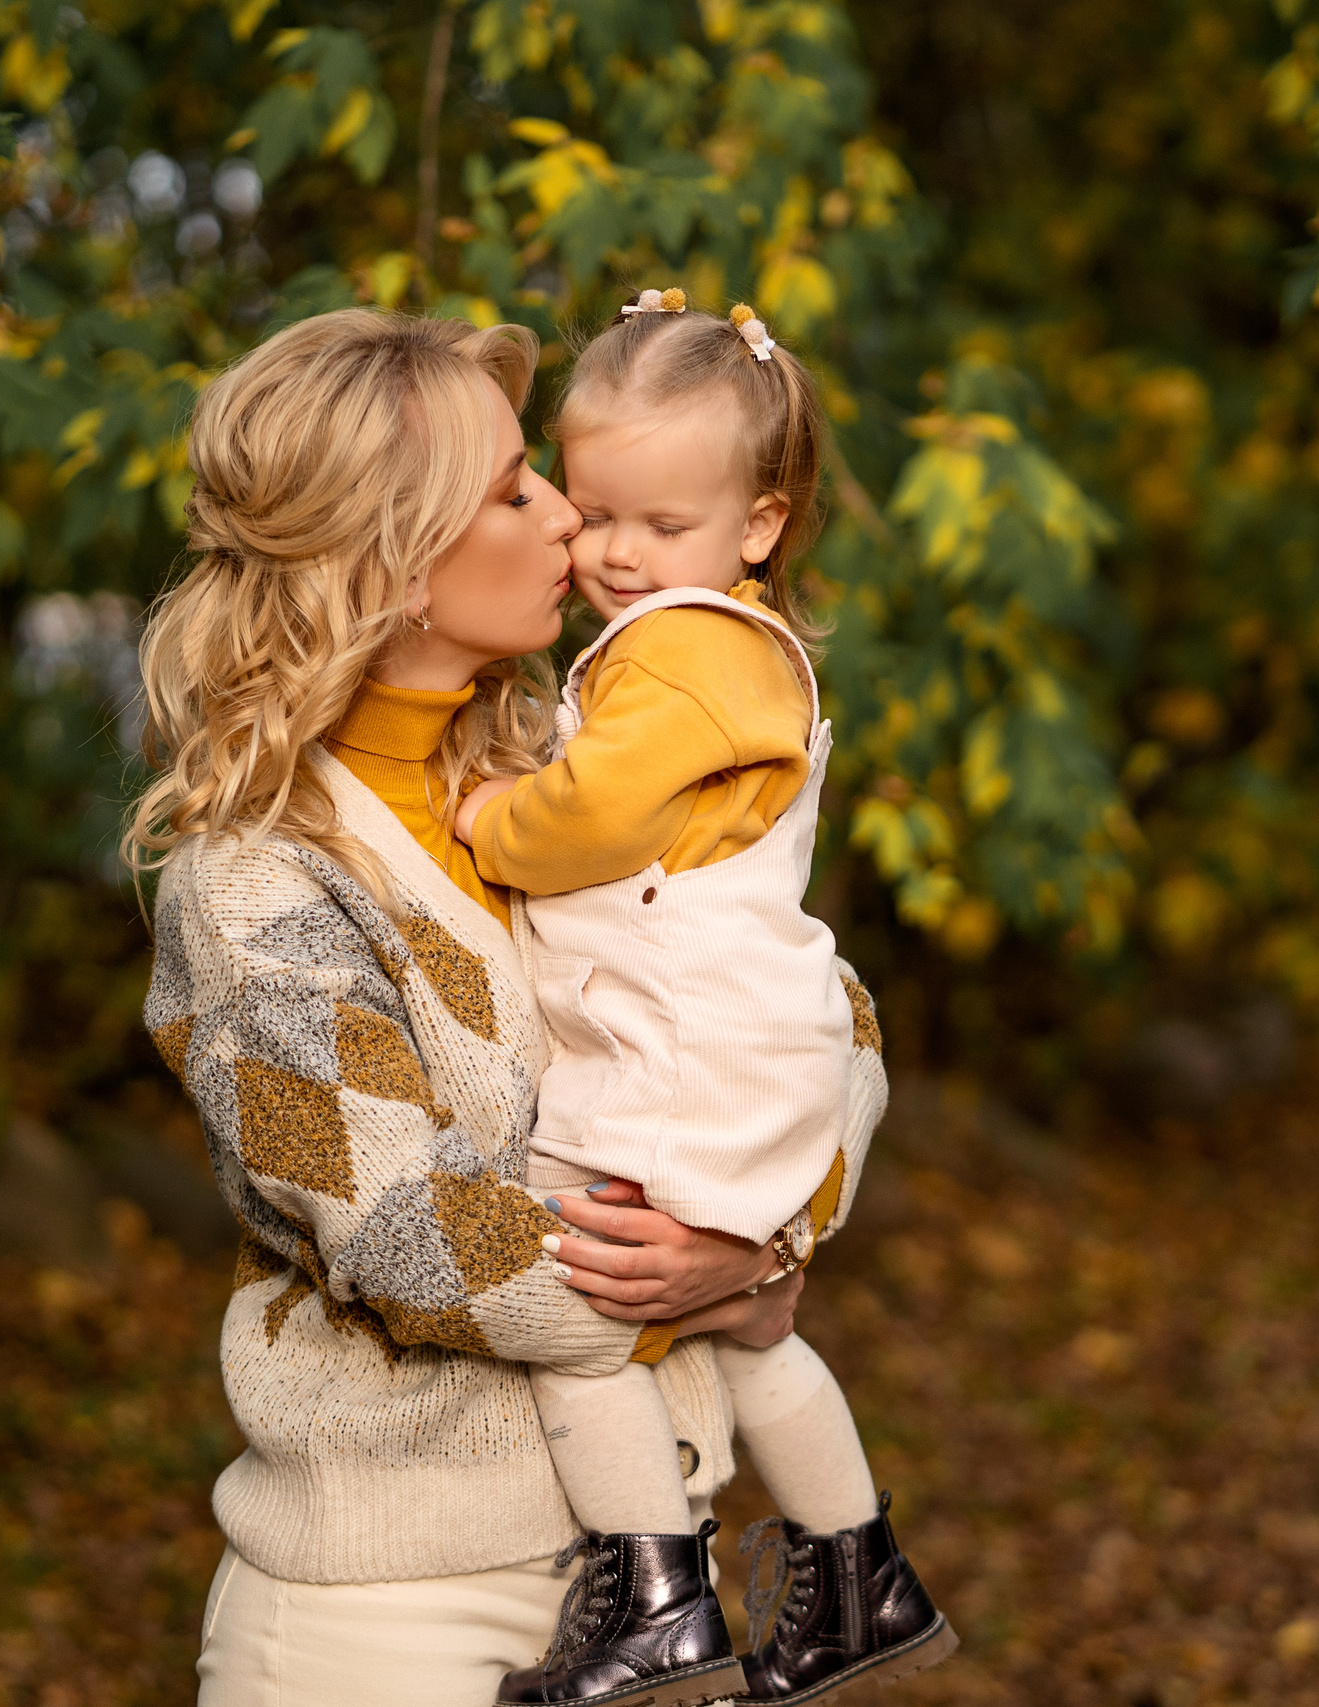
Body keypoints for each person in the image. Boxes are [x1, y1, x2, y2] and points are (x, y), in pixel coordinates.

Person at [123, 308, 860, 1707]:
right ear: (397, 566)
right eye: (522, 492)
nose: (574, 529)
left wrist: (765, 1233)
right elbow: (407, 1232)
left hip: (658, 1591)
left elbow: (827, 1022)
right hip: (397, 1615)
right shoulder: (256, 888)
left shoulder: (568, 767)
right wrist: (714, 1268)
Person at [452, 288, 953, 1707]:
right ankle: (860, 1569)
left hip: (673, 1059)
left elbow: (599, 807)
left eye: (660, 527)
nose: (613, 552)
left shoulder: (686, 646)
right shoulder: (725, 637)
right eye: (593, 509)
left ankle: (657, 1600)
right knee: (754, 1327)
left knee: (577, 1301)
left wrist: (495, 817)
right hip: (748, 1043)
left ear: (760, 524)